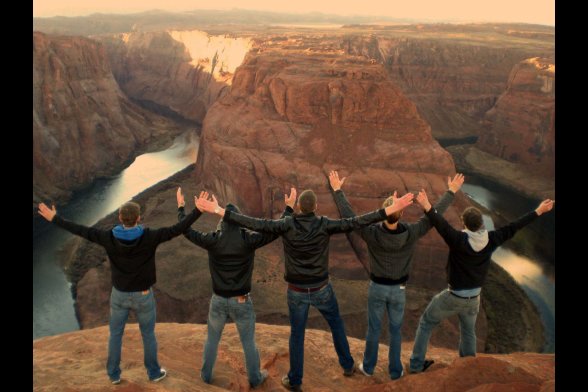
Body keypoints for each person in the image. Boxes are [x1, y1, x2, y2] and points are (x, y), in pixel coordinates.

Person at [196, 187, 414, 391]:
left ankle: (295, 380)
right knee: (337, 324)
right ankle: (347, 366)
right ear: (315, 207)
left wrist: (218, 211)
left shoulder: (287, 224)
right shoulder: (324, 224)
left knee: (297, 335)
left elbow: (256, 224)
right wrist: (388, 211)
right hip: (321, 288)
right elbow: (355, 222)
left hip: (297, 291)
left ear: (299, 207)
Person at [37, 198, 202, 385]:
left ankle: (114, 375)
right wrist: (197, 210)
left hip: (120, 295)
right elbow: (178, 229)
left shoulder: (108, 237)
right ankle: (154, 373)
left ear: (120, 217)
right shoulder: (150, 236)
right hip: (143, 295)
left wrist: (55, 219)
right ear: (138, 218)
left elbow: (81, 230)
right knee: (148, 335)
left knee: (116, 335)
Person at [328, 170, 464, 380]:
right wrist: (451, 192)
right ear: (401, 214)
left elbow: (351, 218)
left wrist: (337, 190)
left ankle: (369, 368)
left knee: (373, 329)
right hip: (399, 291)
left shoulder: (372, 233)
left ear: (385, 213)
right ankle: (395, 371)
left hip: (376, 288)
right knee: (395, 332)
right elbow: (432, 218)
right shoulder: (411, 233)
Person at [408, 190, 555, 373]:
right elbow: (515, 226)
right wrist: (539, 211)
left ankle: (415, 366)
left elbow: (440, 224)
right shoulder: (493, 239)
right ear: (481, 224)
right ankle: (468, 367)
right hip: (474, 299)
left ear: (465, 224)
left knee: (426, 323)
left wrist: (427, 205)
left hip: (453, 296)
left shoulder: (458, 239)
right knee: (469, 333)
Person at [176, 188, 286, 388]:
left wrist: (182, 209)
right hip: (242, 301)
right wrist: (288, 211)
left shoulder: (213, 240)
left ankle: (206, 376)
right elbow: (275, 231)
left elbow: (185, 230)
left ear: (221, 221)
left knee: (212, 340)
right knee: (248, 343)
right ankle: (255, 378)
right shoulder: (248, 240)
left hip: (218, 300)